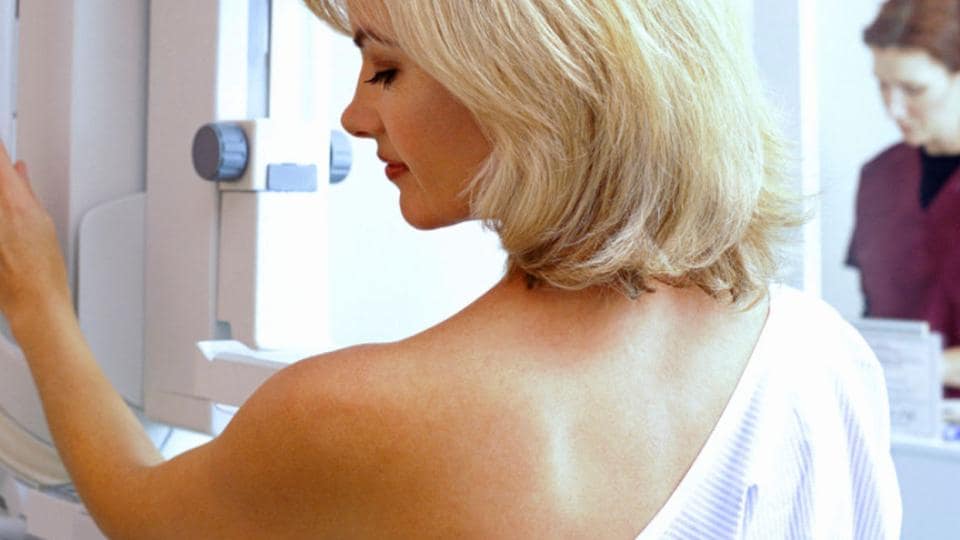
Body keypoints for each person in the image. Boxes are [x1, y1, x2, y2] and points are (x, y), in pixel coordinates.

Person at [0, 0, 900, 538]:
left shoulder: (374, 415)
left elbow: (141, 512)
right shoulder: (824, 359)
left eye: (384, 68)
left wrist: (37, 297)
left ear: (529, 84)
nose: (353, 116)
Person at [849, 0, 960, 397]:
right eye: (882, 84)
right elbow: (873, 315)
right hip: (897, 426)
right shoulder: (879, 178)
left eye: (913, 89)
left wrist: (926, 369)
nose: (893, 108)